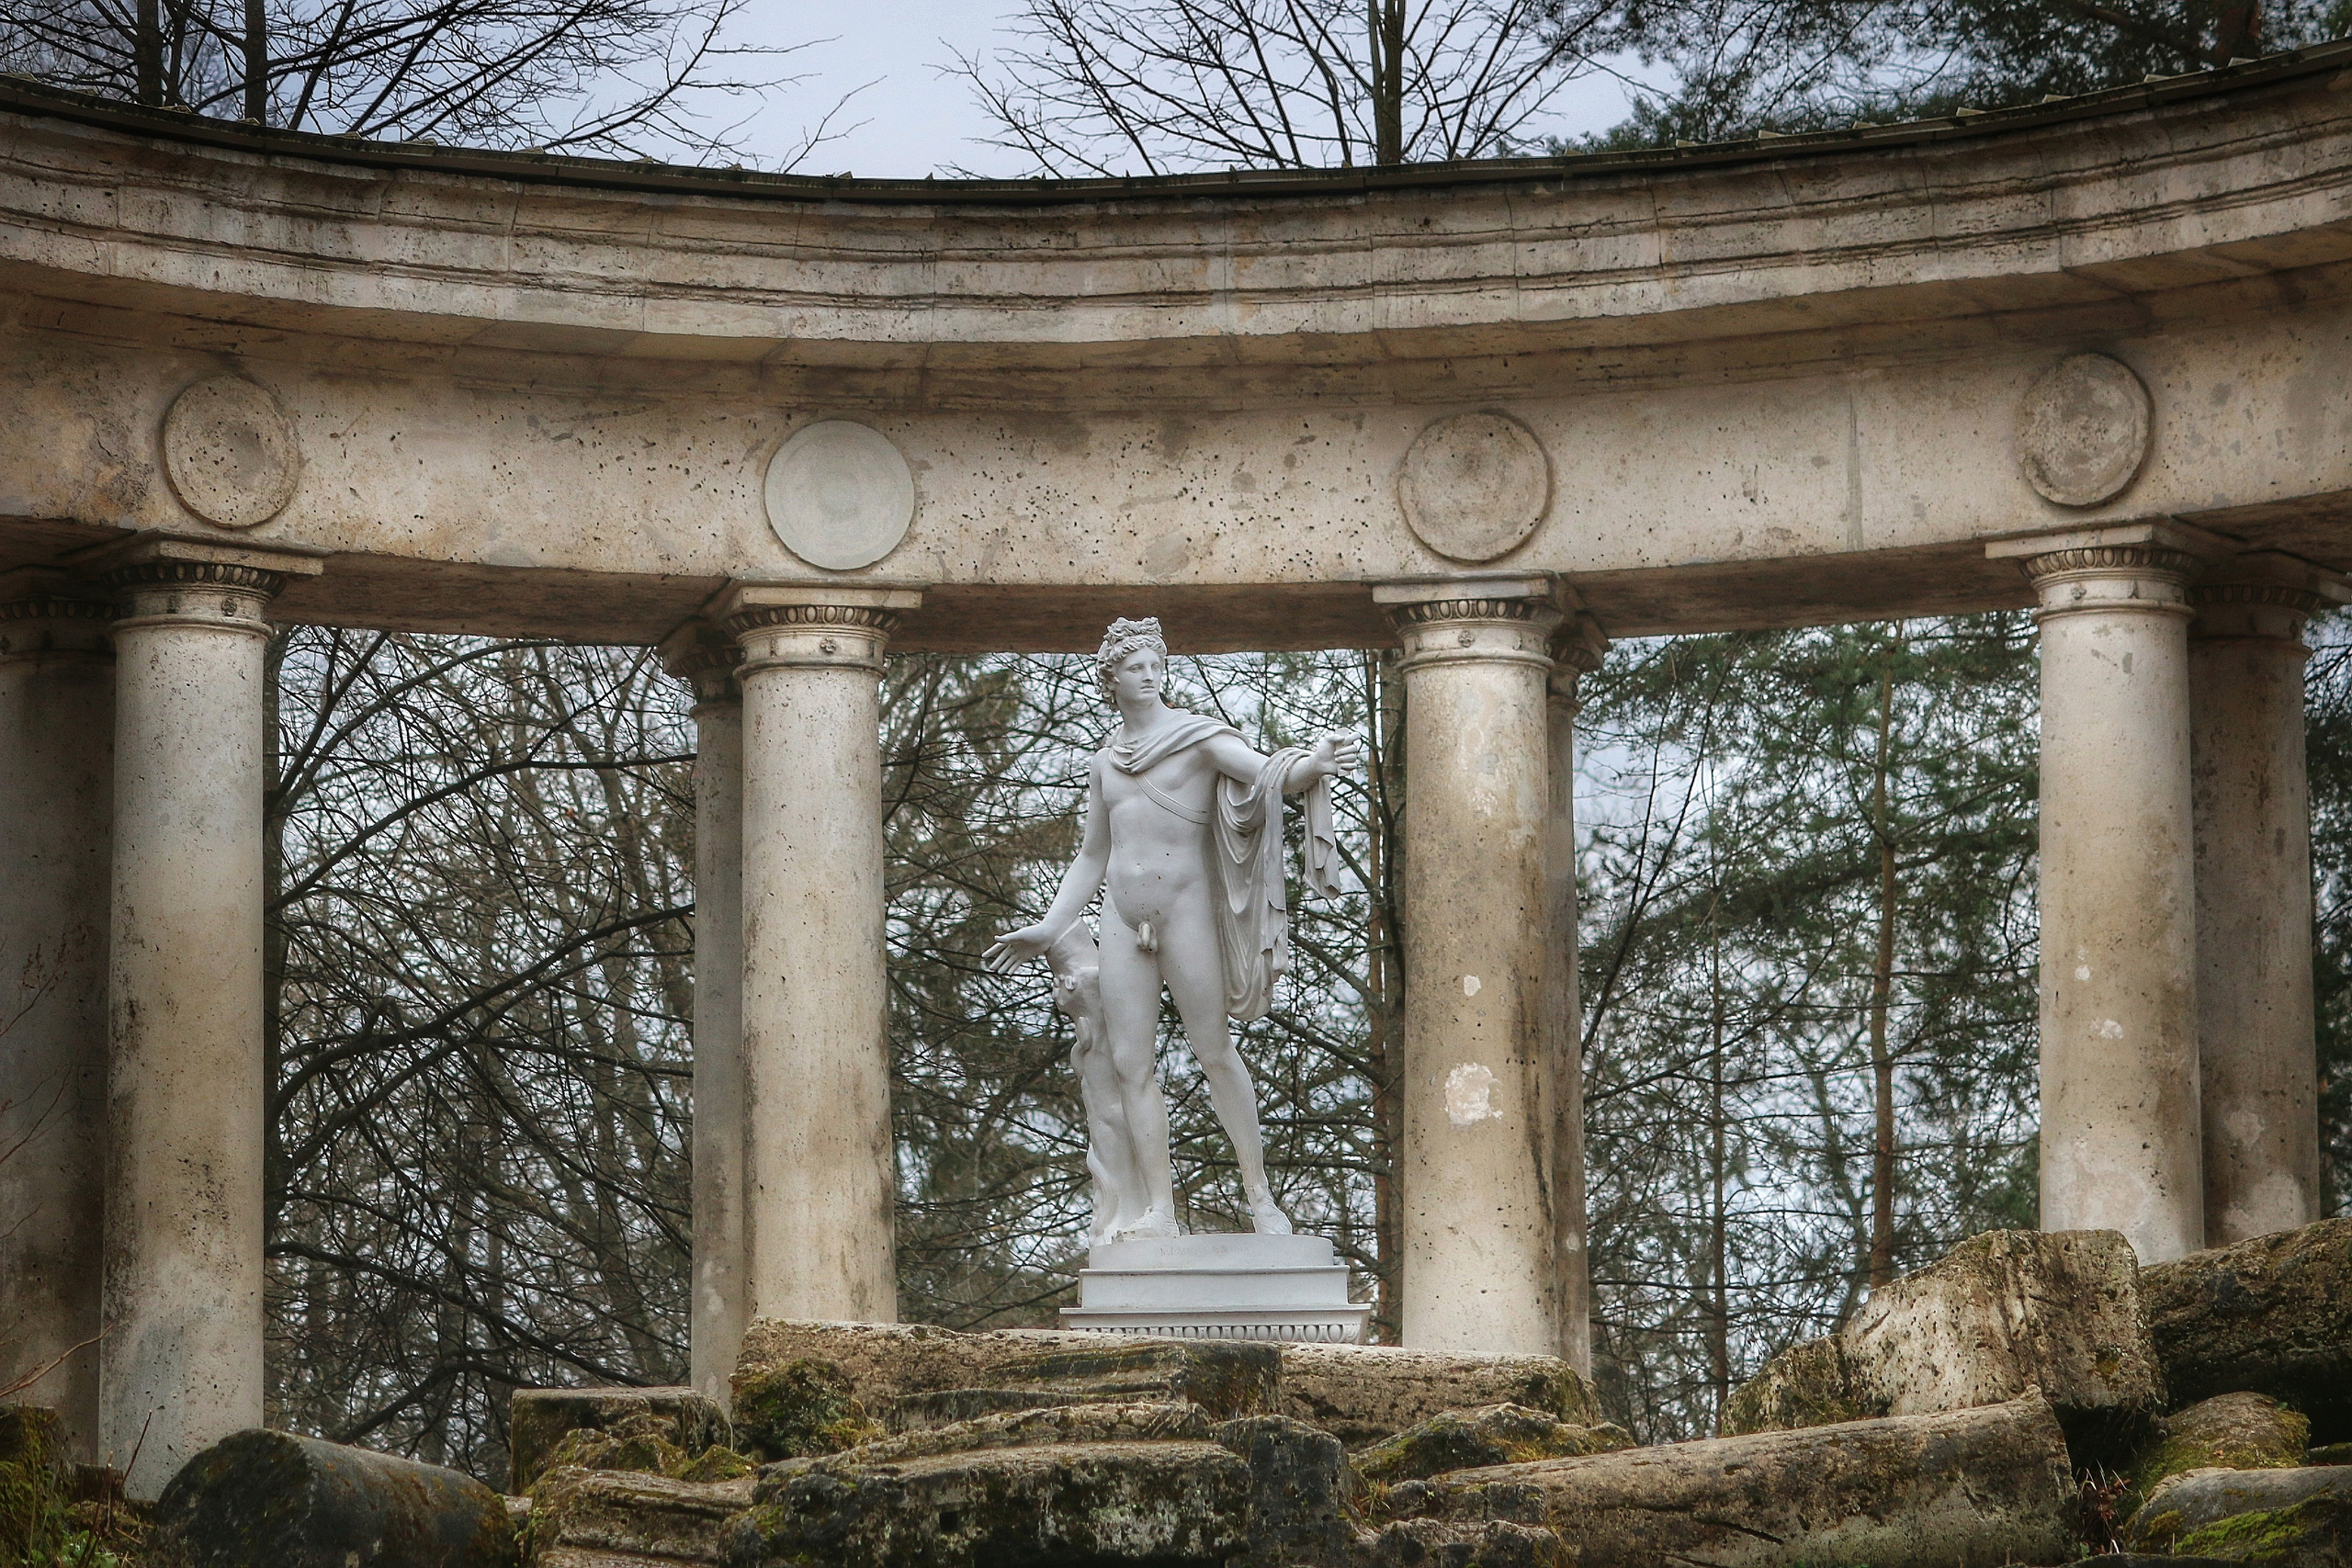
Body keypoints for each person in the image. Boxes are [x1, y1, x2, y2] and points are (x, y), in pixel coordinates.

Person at [985, 616, 1360, 1240]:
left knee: (1214, 1050)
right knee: (1132, 1064)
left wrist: (1311, 763)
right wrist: (1051, 927)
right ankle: (1161, 1208)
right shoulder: (1105, 761)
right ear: (1112, 678)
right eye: (1136, 665)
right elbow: (1091, 856)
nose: (1151, 671)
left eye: (1156, 661)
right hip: (1123, 920)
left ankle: (1261, 1197)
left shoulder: (1197, 740)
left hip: (1186, 913)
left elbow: (1268, 774)